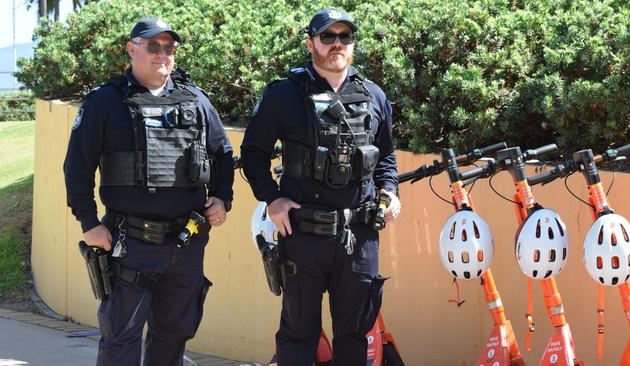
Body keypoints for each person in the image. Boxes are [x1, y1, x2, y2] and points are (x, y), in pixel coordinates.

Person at [63, 17, 234, 366]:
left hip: (186, 243)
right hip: (130, 243)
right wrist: (88, 222)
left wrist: (222, 197)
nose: (162, 55)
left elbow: (223, 154)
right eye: (152, 46)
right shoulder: (106, 101)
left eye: (168, 48)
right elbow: (77, 166)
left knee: (173, 337)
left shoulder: (196, 101)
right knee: (120, 338)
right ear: (131, 49)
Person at [241, 7, 401, 366]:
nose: (337, 45)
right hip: (304, 236)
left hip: (360, 236)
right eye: (327, 37)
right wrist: (273, 198)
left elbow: (386, 156)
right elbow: (253, 153)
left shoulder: (373, 95)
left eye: (345, 37)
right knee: (298, 337)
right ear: (311, 43)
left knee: (355, 338)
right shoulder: (284, 95)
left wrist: (389, 191)